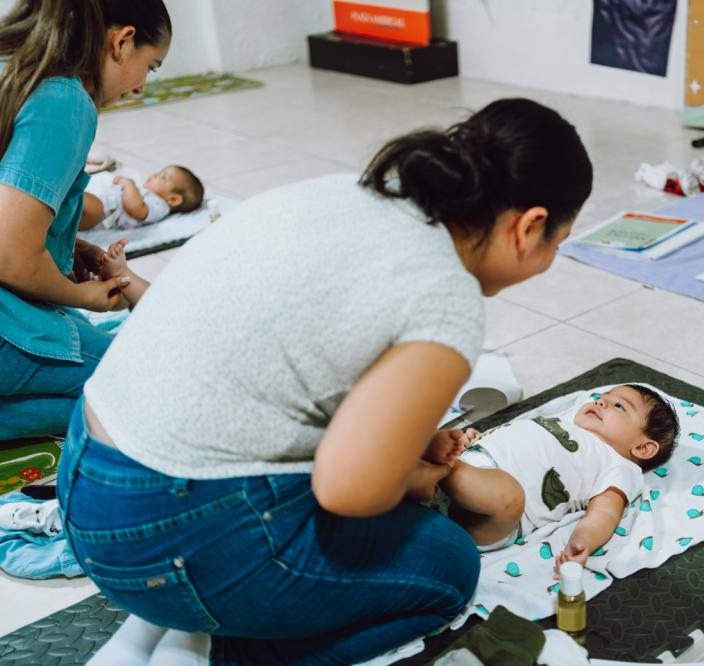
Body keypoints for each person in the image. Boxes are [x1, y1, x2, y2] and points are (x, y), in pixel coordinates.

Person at [57, 97, 594, 664]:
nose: (549, 258)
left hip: (85, 477)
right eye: (555, 245)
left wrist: (403, 441)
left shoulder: (350, 192)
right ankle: (218, 652)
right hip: (168, 533)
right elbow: (348, 493)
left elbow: (303, 367)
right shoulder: (446, 301)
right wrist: (408, 477)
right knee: (449, 571)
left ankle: (165, 625)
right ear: (529, 226)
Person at [0, 0, 172, 440]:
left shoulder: (21, 74)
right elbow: (12, 258)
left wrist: (62, 244)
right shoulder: (65, 102)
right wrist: (83, 297)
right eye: (150, 67)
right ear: (122, 41)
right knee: (145, 390)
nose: (139, 88)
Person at [436, 385, 678, 568]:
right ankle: (438, 470)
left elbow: (605, 512)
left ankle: (437, 466)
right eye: (601, 398)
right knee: (453, 447)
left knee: (505, 493)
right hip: (474, 465)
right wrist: (476, 442)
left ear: (643, 448)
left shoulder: (619, 466)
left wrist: (584, 539)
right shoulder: (561, 422)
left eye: (619, 406)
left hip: (497, 514)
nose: (601, 402)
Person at [80, 165, 204, 231]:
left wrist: (128, 184)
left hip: (99, 216)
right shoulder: (145, 192)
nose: (155, 174)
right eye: (159, 172)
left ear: (174, 199)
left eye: (163, 177)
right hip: (94, 204)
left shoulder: (160, 205)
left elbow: (135, 208)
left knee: (92, 205)